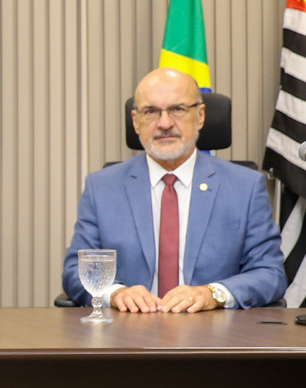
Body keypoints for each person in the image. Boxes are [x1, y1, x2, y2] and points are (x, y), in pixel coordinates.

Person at [63, 68, 286, 312]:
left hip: (215, 338)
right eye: (151, 112)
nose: (165, 123)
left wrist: (214, 293)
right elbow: (76, 271)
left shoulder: (245, 187)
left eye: (178, 109)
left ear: (200, 116)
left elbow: (270, 274)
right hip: (127, 337)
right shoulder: (102, 188)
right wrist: (115, 293)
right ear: (136, 122)